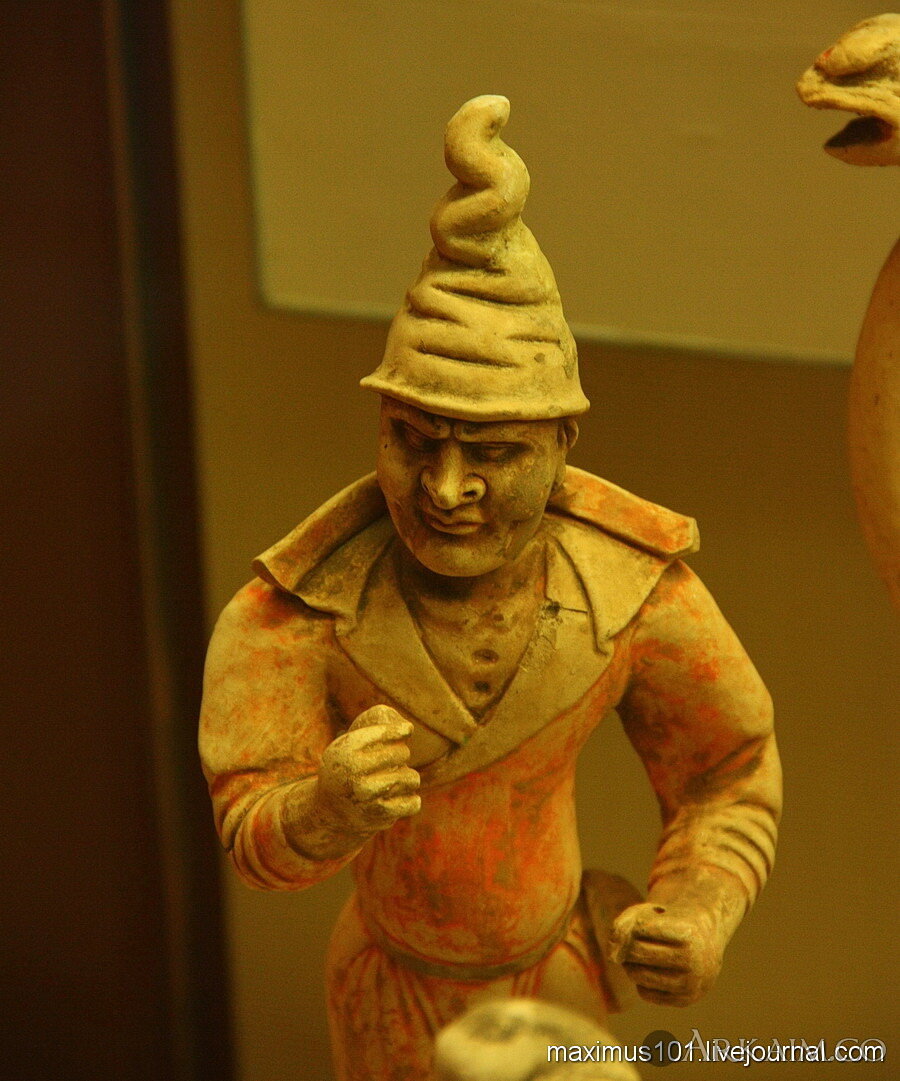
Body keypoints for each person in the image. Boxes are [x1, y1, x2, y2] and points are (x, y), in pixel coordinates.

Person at [199, 96, 781, 1081]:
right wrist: (322, 812)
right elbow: (249, 826)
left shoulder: (630, 590)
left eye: (496, 452)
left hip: (557, 978)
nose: (446, 488)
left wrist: (699, 908)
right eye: (413, 440)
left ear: (562, 445)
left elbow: (727, 770)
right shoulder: (300, 609)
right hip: (391, 992)